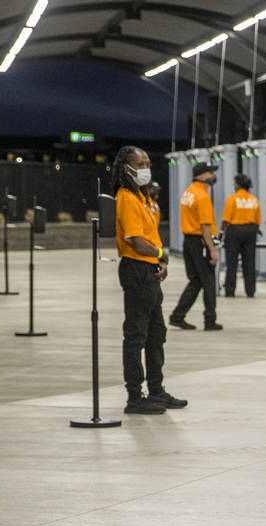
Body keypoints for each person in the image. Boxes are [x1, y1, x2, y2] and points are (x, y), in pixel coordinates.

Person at [110, 146, 187, 415]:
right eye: (140, 163)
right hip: (137, 271)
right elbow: (139, 243)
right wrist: (160, 254)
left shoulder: (141, 197)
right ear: (127, 168)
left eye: (147, 162)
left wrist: (160, 262)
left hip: (149, 271)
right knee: (136, 336)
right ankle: (135, 396)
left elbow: (150, 239)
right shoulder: (127, 199)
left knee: (156, 335)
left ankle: (157, 390)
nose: (146, 167)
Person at [170, 162, 222, 331]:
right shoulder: (202, 196)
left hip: (189, 241)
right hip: (200, 242)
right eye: (209, 173)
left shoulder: (189, 192)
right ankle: (210, 320)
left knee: (196, 280)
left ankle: (177, 316)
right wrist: (212, 250)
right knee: (208, 281)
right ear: (201, 176)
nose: (212, 176)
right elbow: (205, 226)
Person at [221, 173, 261, 298]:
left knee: (231, 262)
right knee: (249, 262)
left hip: (234, 231)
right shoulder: (254, 200)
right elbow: (258, 220)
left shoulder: (232, 199)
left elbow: (226, 220)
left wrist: (221, 233)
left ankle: (230, 289)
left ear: (238, 185)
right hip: (250, 231)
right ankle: (250, 290)